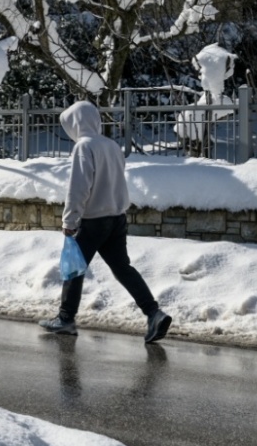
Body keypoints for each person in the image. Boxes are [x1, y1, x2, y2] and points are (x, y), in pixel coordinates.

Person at [39, 101, 172, 343]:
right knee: (123, 269)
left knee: (73, 269)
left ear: (76, 123)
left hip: (92, 221)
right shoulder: (111, 145)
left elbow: (78, 188)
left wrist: (70, 219)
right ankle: (154, 313)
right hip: (117, 219)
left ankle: (66, 319)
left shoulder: (84, 147)